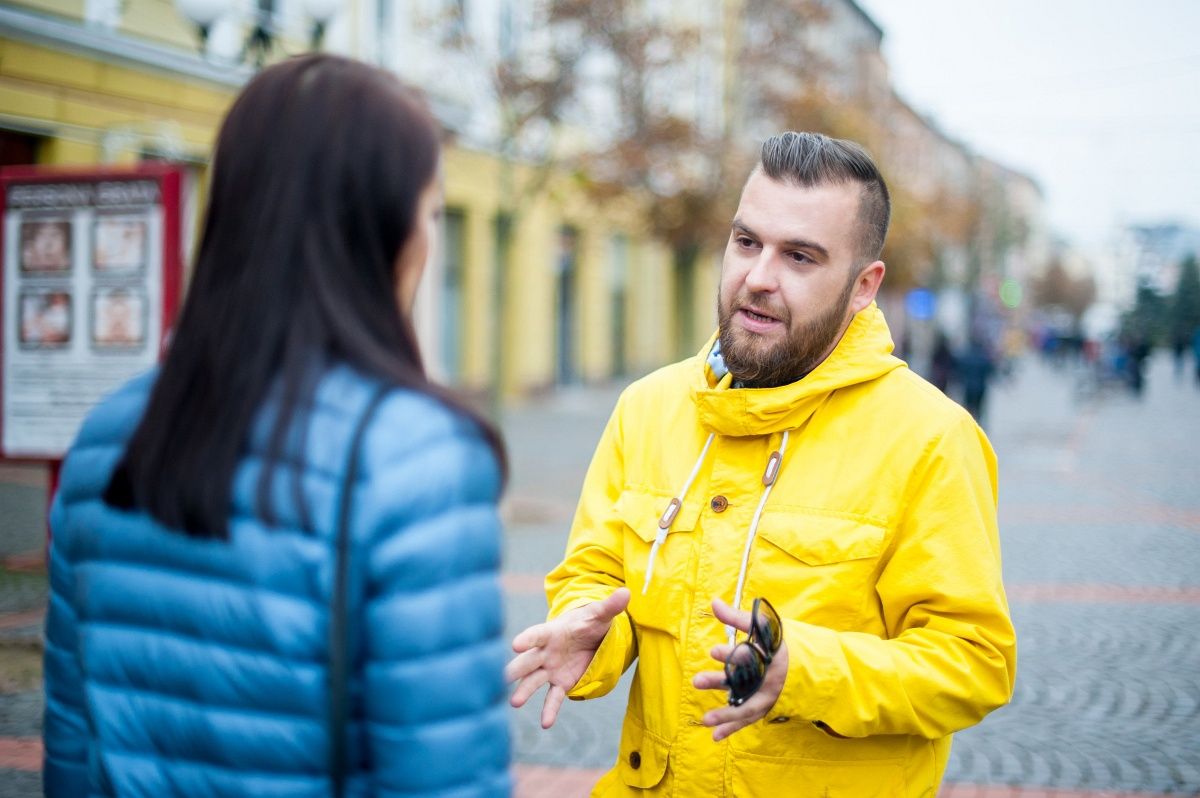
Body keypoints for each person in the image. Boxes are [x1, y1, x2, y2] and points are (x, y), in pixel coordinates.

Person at [42, 55, 511, 798]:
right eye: (429, 210)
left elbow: (71, 745)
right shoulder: (416, 460)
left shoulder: (107, 438)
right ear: (383, 230)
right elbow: (445, 778)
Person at [506, 132, 1016, 797]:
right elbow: (597, 572)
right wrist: (590, 631)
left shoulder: (931, 439)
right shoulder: (648, 408)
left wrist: (803, 672)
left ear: (864, 286)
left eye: (800, 256)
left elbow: (973, 664)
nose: (758, 277)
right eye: (747, 242)